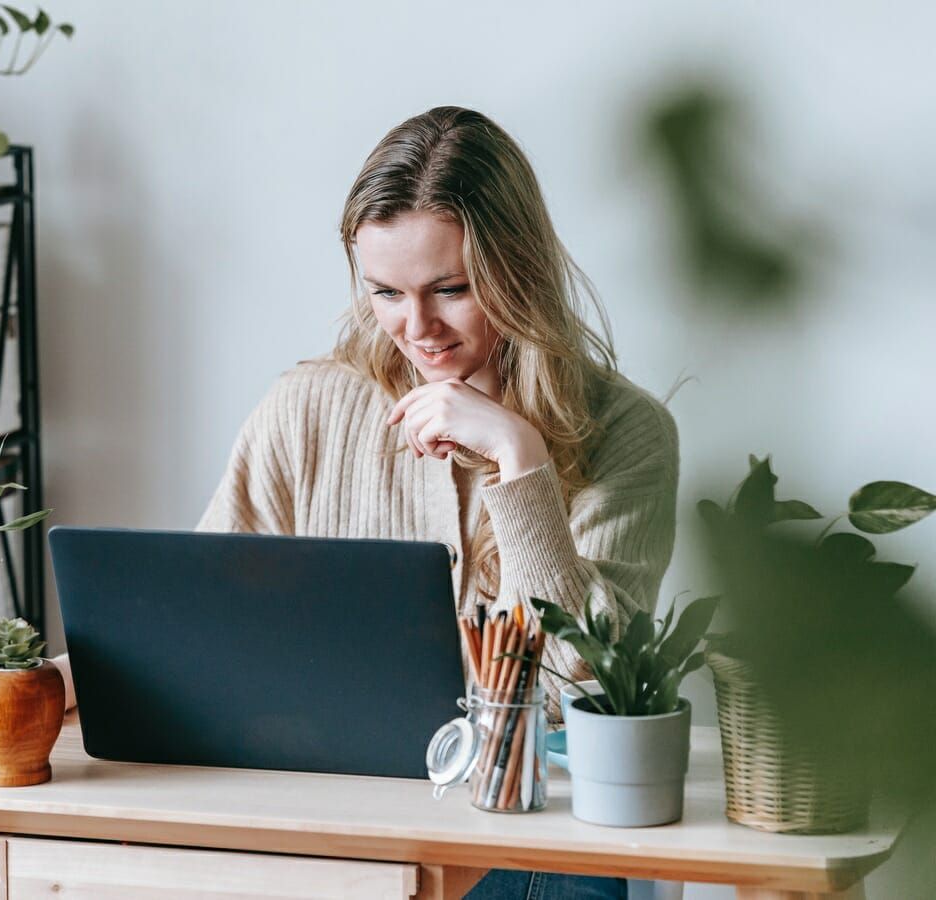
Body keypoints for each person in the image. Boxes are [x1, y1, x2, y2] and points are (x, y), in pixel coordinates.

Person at [196, 106, 678, 900]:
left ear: (516, 270)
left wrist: (519, 460)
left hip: (533, 839)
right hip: (340, 821)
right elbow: (209, 614)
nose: (416, 329)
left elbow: (580, 684)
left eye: (451, 290)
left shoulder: (627, 434)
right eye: (386, 292)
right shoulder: (307, 407)